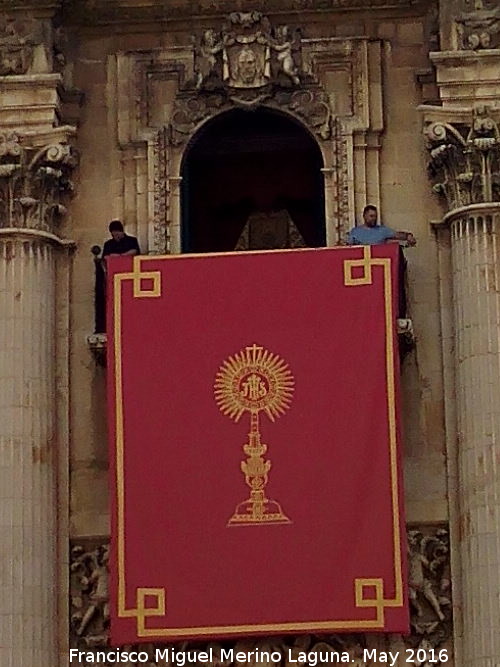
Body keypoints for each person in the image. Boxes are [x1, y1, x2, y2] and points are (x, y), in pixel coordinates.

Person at [347, 205, 416, 247]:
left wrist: (408, 236)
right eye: (371, 216)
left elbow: (397, 235)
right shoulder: (355, 232)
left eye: (375, 216)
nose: (374, 218)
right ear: (364, 216)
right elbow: (347, 249)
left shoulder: (382, 230)